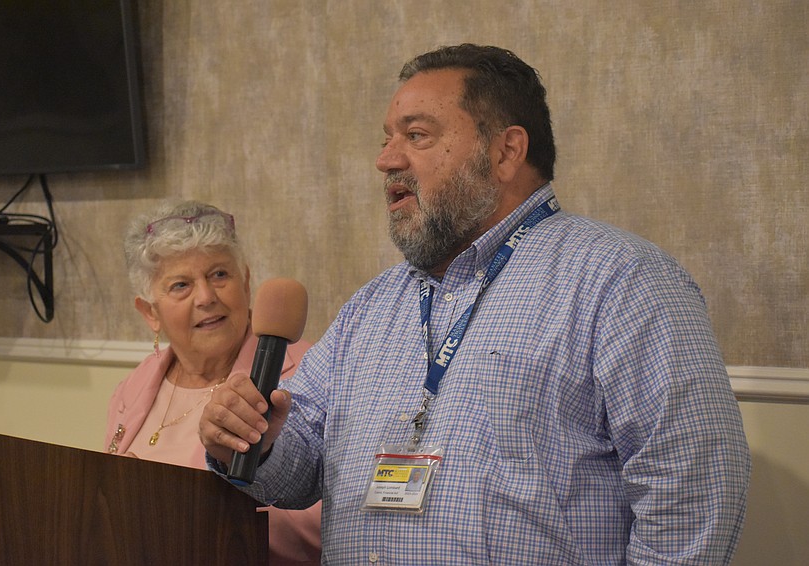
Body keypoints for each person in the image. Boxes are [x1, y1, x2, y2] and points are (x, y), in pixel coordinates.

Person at [200, 44, 751, 564]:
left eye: (416, 136)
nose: (385, 160)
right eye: (387, 137)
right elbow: (298, 474)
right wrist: (259, 440)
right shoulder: (371, 307)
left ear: (506, 151)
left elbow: (693, 496)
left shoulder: (621, 281)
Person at [104, 199, 321, 565]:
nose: (206, 297)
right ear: (150, 313)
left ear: (246, 281)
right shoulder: (135, 385)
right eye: (181, 285)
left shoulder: (308, 371)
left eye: (219, 275)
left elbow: (320, 522)